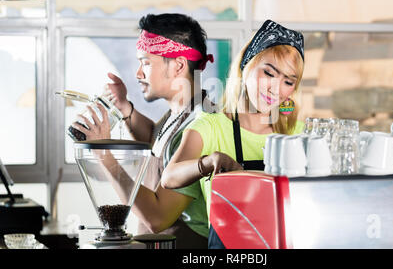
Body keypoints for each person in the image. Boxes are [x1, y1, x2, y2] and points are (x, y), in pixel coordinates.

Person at [71, 13, 214, 249]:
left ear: (178, 65)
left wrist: (103, 153)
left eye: (146, 62)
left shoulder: (201, 126)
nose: (138, 73)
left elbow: (157, 218)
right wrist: (125, 108)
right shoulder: (181, 113)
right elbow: (157, 142)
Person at [160, 19, 306, 248]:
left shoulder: (299, 134)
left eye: (288, 81)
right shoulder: (211, 125)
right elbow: (169, 178)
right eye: (269, 73)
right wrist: (209, 162)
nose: (275, 89)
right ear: (245, 65)